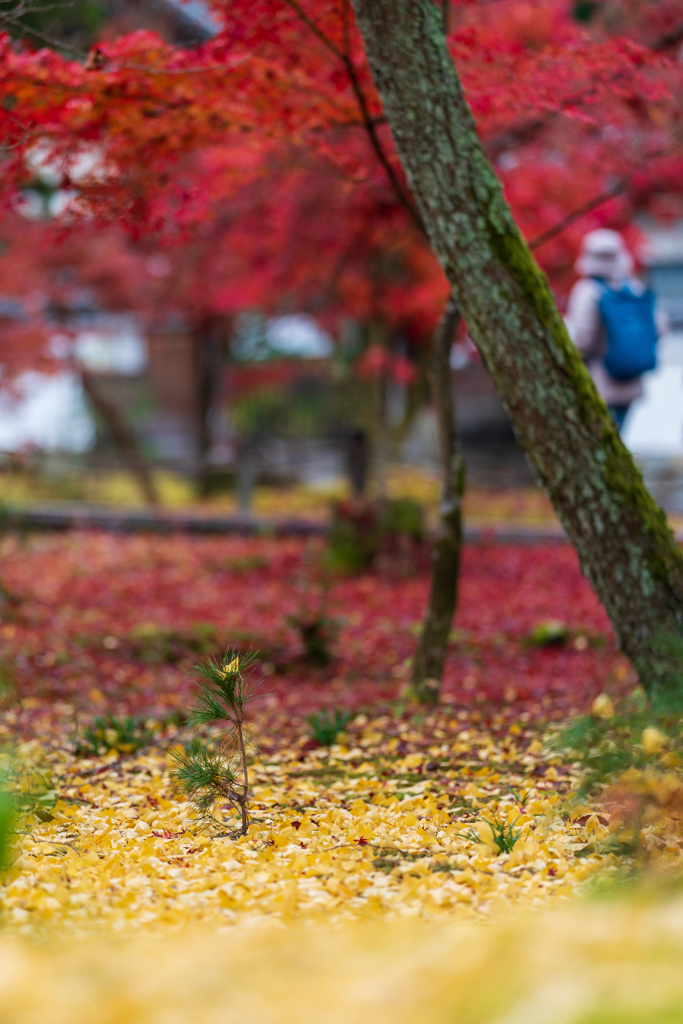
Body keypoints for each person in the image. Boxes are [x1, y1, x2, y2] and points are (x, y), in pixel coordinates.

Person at [565, 228, 667, 433]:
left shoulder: (588, 291)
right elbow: (660, 328)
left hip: (599, 381)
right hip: (632, 381)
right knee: (618, 437)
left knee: (600, 441)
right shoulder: (634, 288)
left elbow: (582, 340)